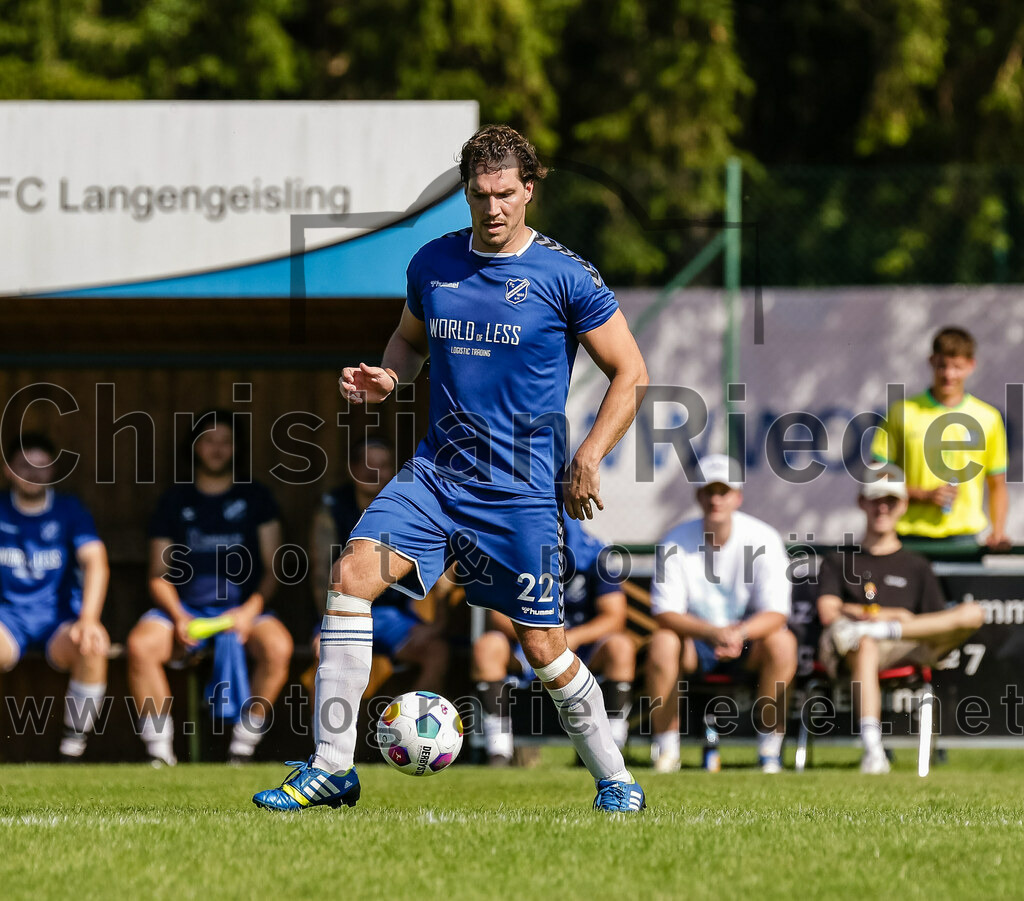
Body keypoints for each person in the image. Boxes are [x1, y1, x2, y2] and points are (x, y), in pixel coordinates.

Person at [254, 124, 649, 813]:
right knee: (350, 577)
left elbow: (632, 372)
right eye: (478, 194)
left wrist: (588, 455)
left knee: (544, 648)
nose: (492, 207)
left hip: (521, 492)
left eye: (504, 193)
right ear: (465, 192)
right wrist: (388, 378)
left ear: (530, 188)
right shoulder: (433, 263)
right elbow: (408, 342)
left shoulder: (566, 275)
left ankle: (616, 778)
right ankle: (331, 766)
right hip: (435, 475)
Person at [126, 413, 293, 765]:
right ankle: (160, 754)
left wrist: (247, 613)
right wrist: (179, 615)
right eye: (208, 440)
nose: (217, 449)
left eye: (225, 441)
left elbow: (274, 566)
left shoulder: (255, 496)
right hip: (186, 612)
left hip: (243, 611)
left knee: (279, 647)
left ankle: (241, 750)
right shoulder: (175, 499)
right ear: (195, 447)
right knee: (140, 646)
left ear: (236, 448)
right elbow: (158, 574)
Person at [816, 463, 984, 773]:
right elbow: (828, 610)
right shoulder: (840, 559)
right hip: (851, 648)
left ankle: (889, 631)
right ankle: (873, 748)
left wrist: (898, 628)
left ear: (904, 505)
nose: (882, 507)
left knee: (973, 613)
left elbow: (936, 621)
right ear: (861, 502)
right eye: (876, 499)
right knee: (865, 641)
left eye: (890, 500)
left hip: (910, 646)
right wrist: (886, 616)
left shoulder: (916, 565)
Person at [645, 454, 796, 774]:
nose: (716, 499)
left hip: (747, 643)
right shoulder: (674, 540)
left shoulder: (764, 538)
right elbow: (665, 614)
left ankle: (770, 751)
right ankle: (667, 751)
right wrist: (712, 633)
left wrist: (738, 633)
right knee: (662, 642)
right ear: (698, 496)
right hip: (697, 644)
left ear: (737, 497)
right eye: (709, 491)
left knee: (783, 643)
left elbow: (777, 614)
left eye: (723, 491)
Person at [472, 514, 635, 764]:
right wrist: (539, 638)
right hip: (527, 644)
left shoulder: (596, 552)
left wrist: (573, 637)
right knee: (487, 647)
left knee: (621, 648)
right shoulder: (513, 549)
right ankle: (499, 751)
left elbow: (614, 616)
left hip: (582, 647)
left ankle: (610, 749)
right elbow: (498, 617)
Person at [0, 433, 110, 760]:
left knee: (93, 644)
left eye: (41, 465)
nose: (33, 474)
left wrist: (89, 619)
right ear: (8, 470)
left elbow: (96, 563)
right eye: (24, 466)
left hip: (58, 621)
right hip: (8, 621)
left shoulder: (69, 510)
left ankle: (72, 752)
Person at [310, 438, 448, 690]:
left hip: (392, 616)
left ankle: (419, 724)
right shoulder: (333, 507)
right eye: (365, 464)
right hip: (341, 611)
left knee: (437, 652)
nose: (373, 471)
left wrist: (437, 625)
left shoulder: (409, 508)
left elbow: (443, 568)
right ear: (351, 467)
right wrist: (327, 623)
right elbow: (320, 571)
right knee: (324, 654)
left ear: (393, 470)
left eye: (382, 465)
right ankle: (328, 729)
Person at [871, 325, 1010, 550]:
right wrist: (923, 494)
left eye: (957, 367)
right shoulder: (902, 412)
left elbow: (997, 485)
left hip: (963, 538)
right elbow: (878, 475)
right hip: (909, 537)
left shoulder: (988, 417)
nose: (948, 374)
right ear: (931, 361)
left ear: (971, 366)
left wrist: (998, 531)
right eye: (942, 365)